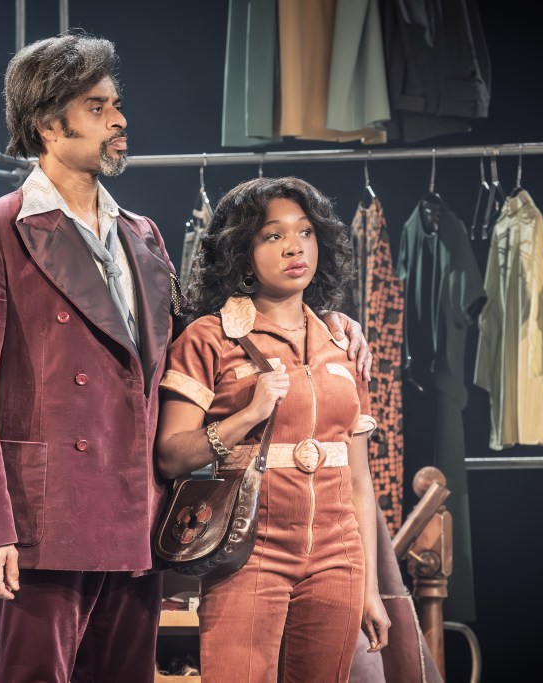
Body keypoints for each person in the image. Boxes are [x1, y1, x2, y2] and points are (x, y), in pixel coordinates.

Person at [0, 34, 372, 681]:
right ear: (48, 126)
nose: (119, 120)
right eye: (97, 107)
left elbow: (204, 337)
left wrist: (321, 320)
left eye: (116, 104)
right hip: (41, 524)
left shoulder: (141, 235)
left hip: (134, 517)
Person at [156, 176, 390, 682]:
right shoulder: (210, 338)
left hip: (339, 560)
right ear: (242, 254)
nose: (294, 247)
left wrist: (370, 588)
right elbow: (170, 455)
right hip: (248, 555)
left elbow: (359, 481)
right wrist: (247, 414)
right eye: (273, 235)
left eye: (305, 232)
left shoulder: (343, 342)